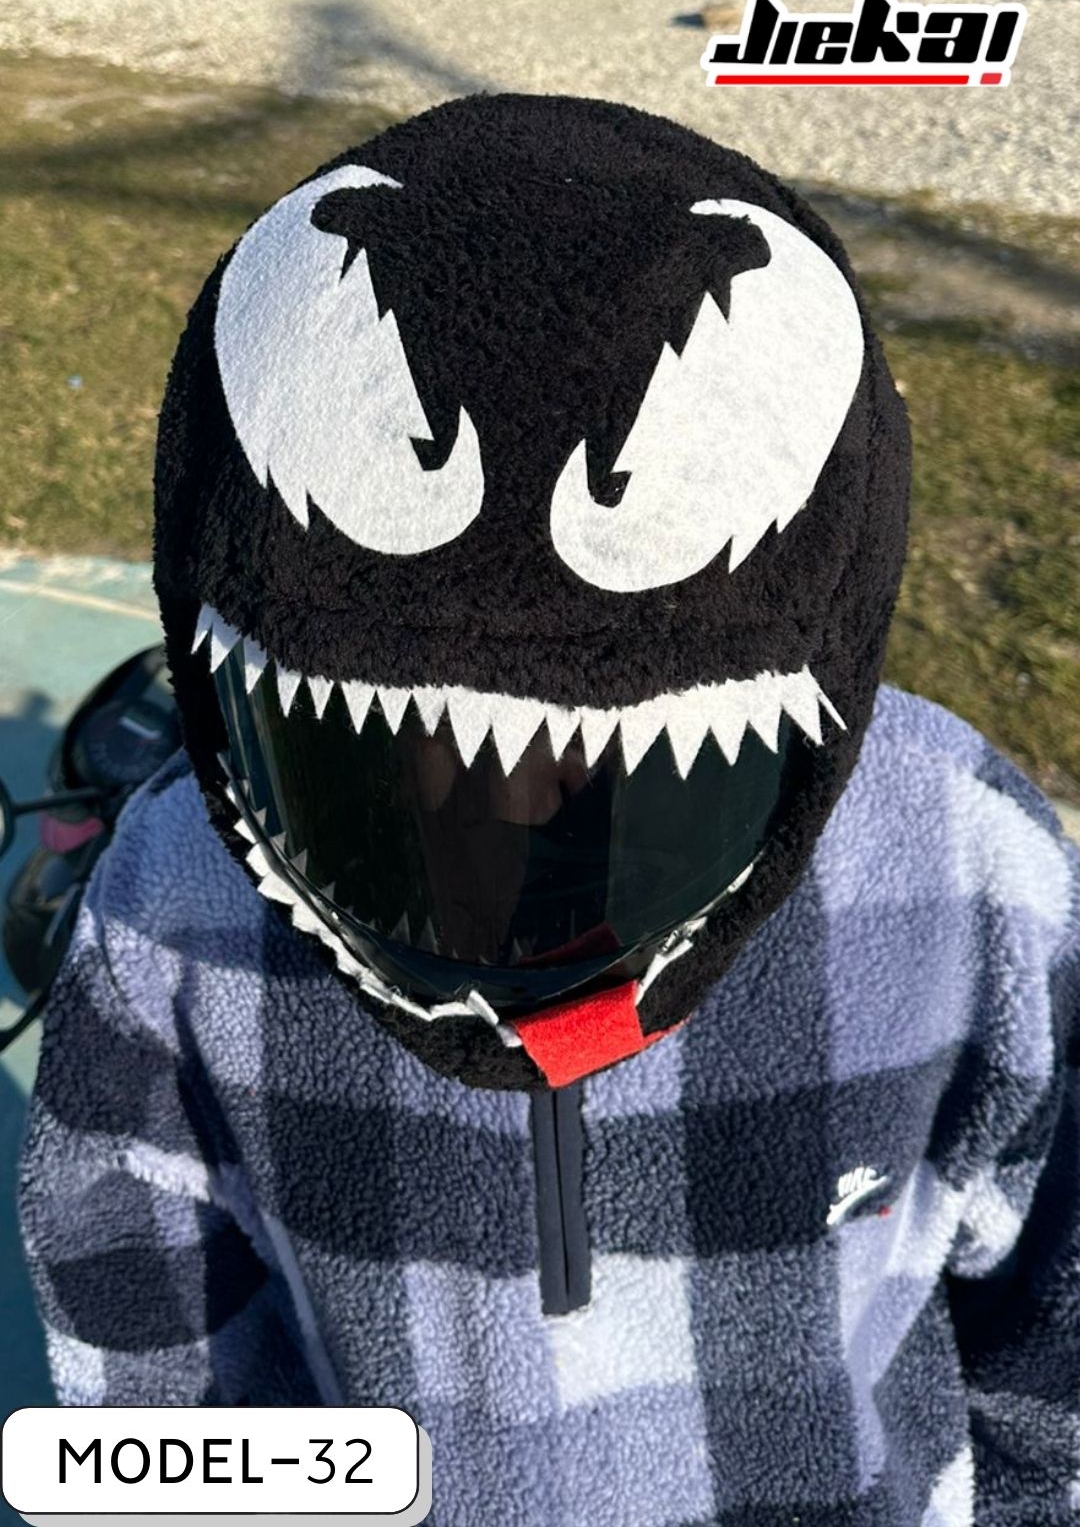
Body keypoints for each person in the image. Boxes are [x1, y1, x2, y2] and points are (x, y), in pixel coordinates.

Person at [19, 96, 1080, 1525]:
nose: (507, 830)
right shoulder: (174, 906)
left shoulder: (964, 871)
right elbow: (148, 1360)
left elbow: (1055, 1327)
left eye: (622, 788)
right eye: (390, 773)